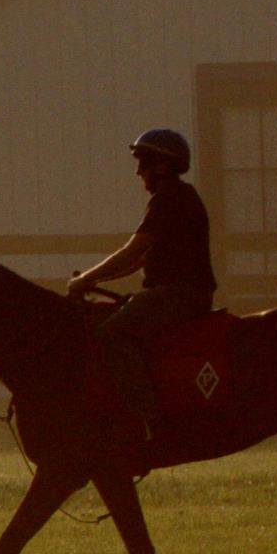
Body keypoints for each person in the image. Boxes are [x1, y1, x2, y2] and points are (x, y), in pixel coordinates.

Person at [66, 127, 217, 427]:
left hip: (177, 294)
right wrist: (97, 280)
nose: (138, 172)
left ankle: (145, 417)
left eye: (142, 163)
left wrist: (83, 280)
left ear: (161, 166)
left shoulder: (168, 199)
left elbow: (131, 251)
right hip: (179, 293)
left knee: (112, 334)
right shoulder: (182, 196)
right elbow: (139, 262)